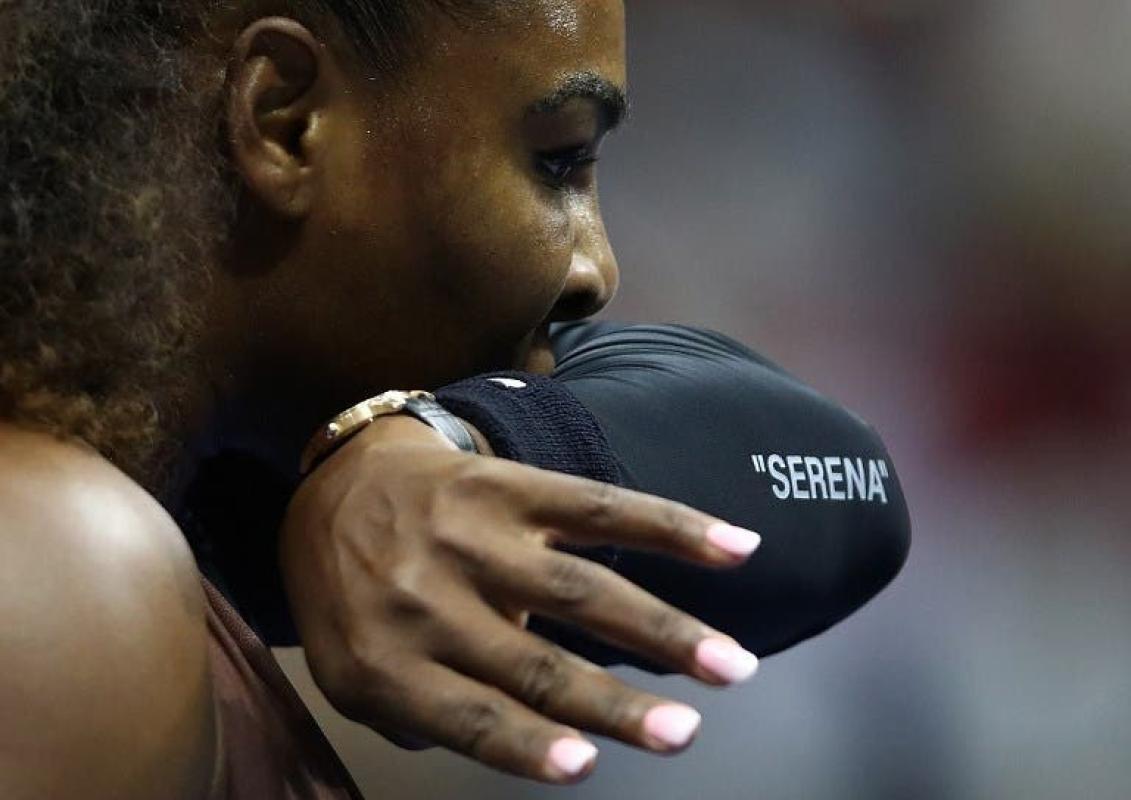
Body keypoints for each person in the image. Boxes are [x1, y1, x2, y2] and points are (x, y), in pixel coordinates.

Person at [0, 2, 908, 798]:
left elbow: (842, 477)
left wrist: (450, 438)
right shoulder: (65, 556)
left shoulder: (184, 488)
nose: (597, 268)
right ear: (286, 120)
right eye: (558, 159)